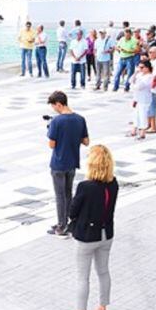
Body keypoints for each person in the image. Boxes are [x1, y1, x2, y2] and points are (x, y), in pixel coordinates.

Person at [65, 145, 118, 310]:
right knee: (103, 271)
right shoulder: (114, 183)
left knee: (83, 277)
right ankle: (102, 309)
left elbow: (72, 211)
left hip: (87, 237)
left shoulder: (85, 186)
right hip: (106, 235)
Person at [46, 91, 89, 237]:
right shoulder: (80, 119)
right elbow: (86, 141)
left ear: (59, 104)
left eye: (54, 106)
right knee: (68, 193)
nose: (54, 109)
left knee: (60, 196)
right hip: (72, 162)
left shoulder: (56, 121)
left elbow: (52, 144)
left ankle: (61, 226)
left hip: (58, 163)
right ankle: (69, 222)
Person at [129, 60, 154, 140]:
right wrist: (135, 73)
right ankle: (134, 130)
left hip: (144, 99)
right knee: (135, 114)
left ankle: (142, 132)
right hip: (137, 98)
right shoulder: (139, 74)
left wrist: (134, 84)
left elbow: (139, 87)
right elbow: (130, 81)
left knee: (142, 115)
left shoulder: (149, 77)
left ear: (147, 68)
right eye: (139, 67)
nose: (140, 69)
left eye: (142, 67)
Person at [112, 28, 139, 92]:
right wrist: (118, 49)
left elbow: (137, 50)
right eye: (125, 35)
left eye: (128, 36)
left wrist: (127, 51)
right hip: (121, 58)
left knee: (130, 73)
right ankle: (115, 87)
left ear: (130, 35)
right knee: (117, 73)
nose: (126, 37)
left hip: (130, 58)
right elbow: (117, 46)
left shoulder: (134, 40)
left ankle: (127, 87)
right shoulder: (122, 39)